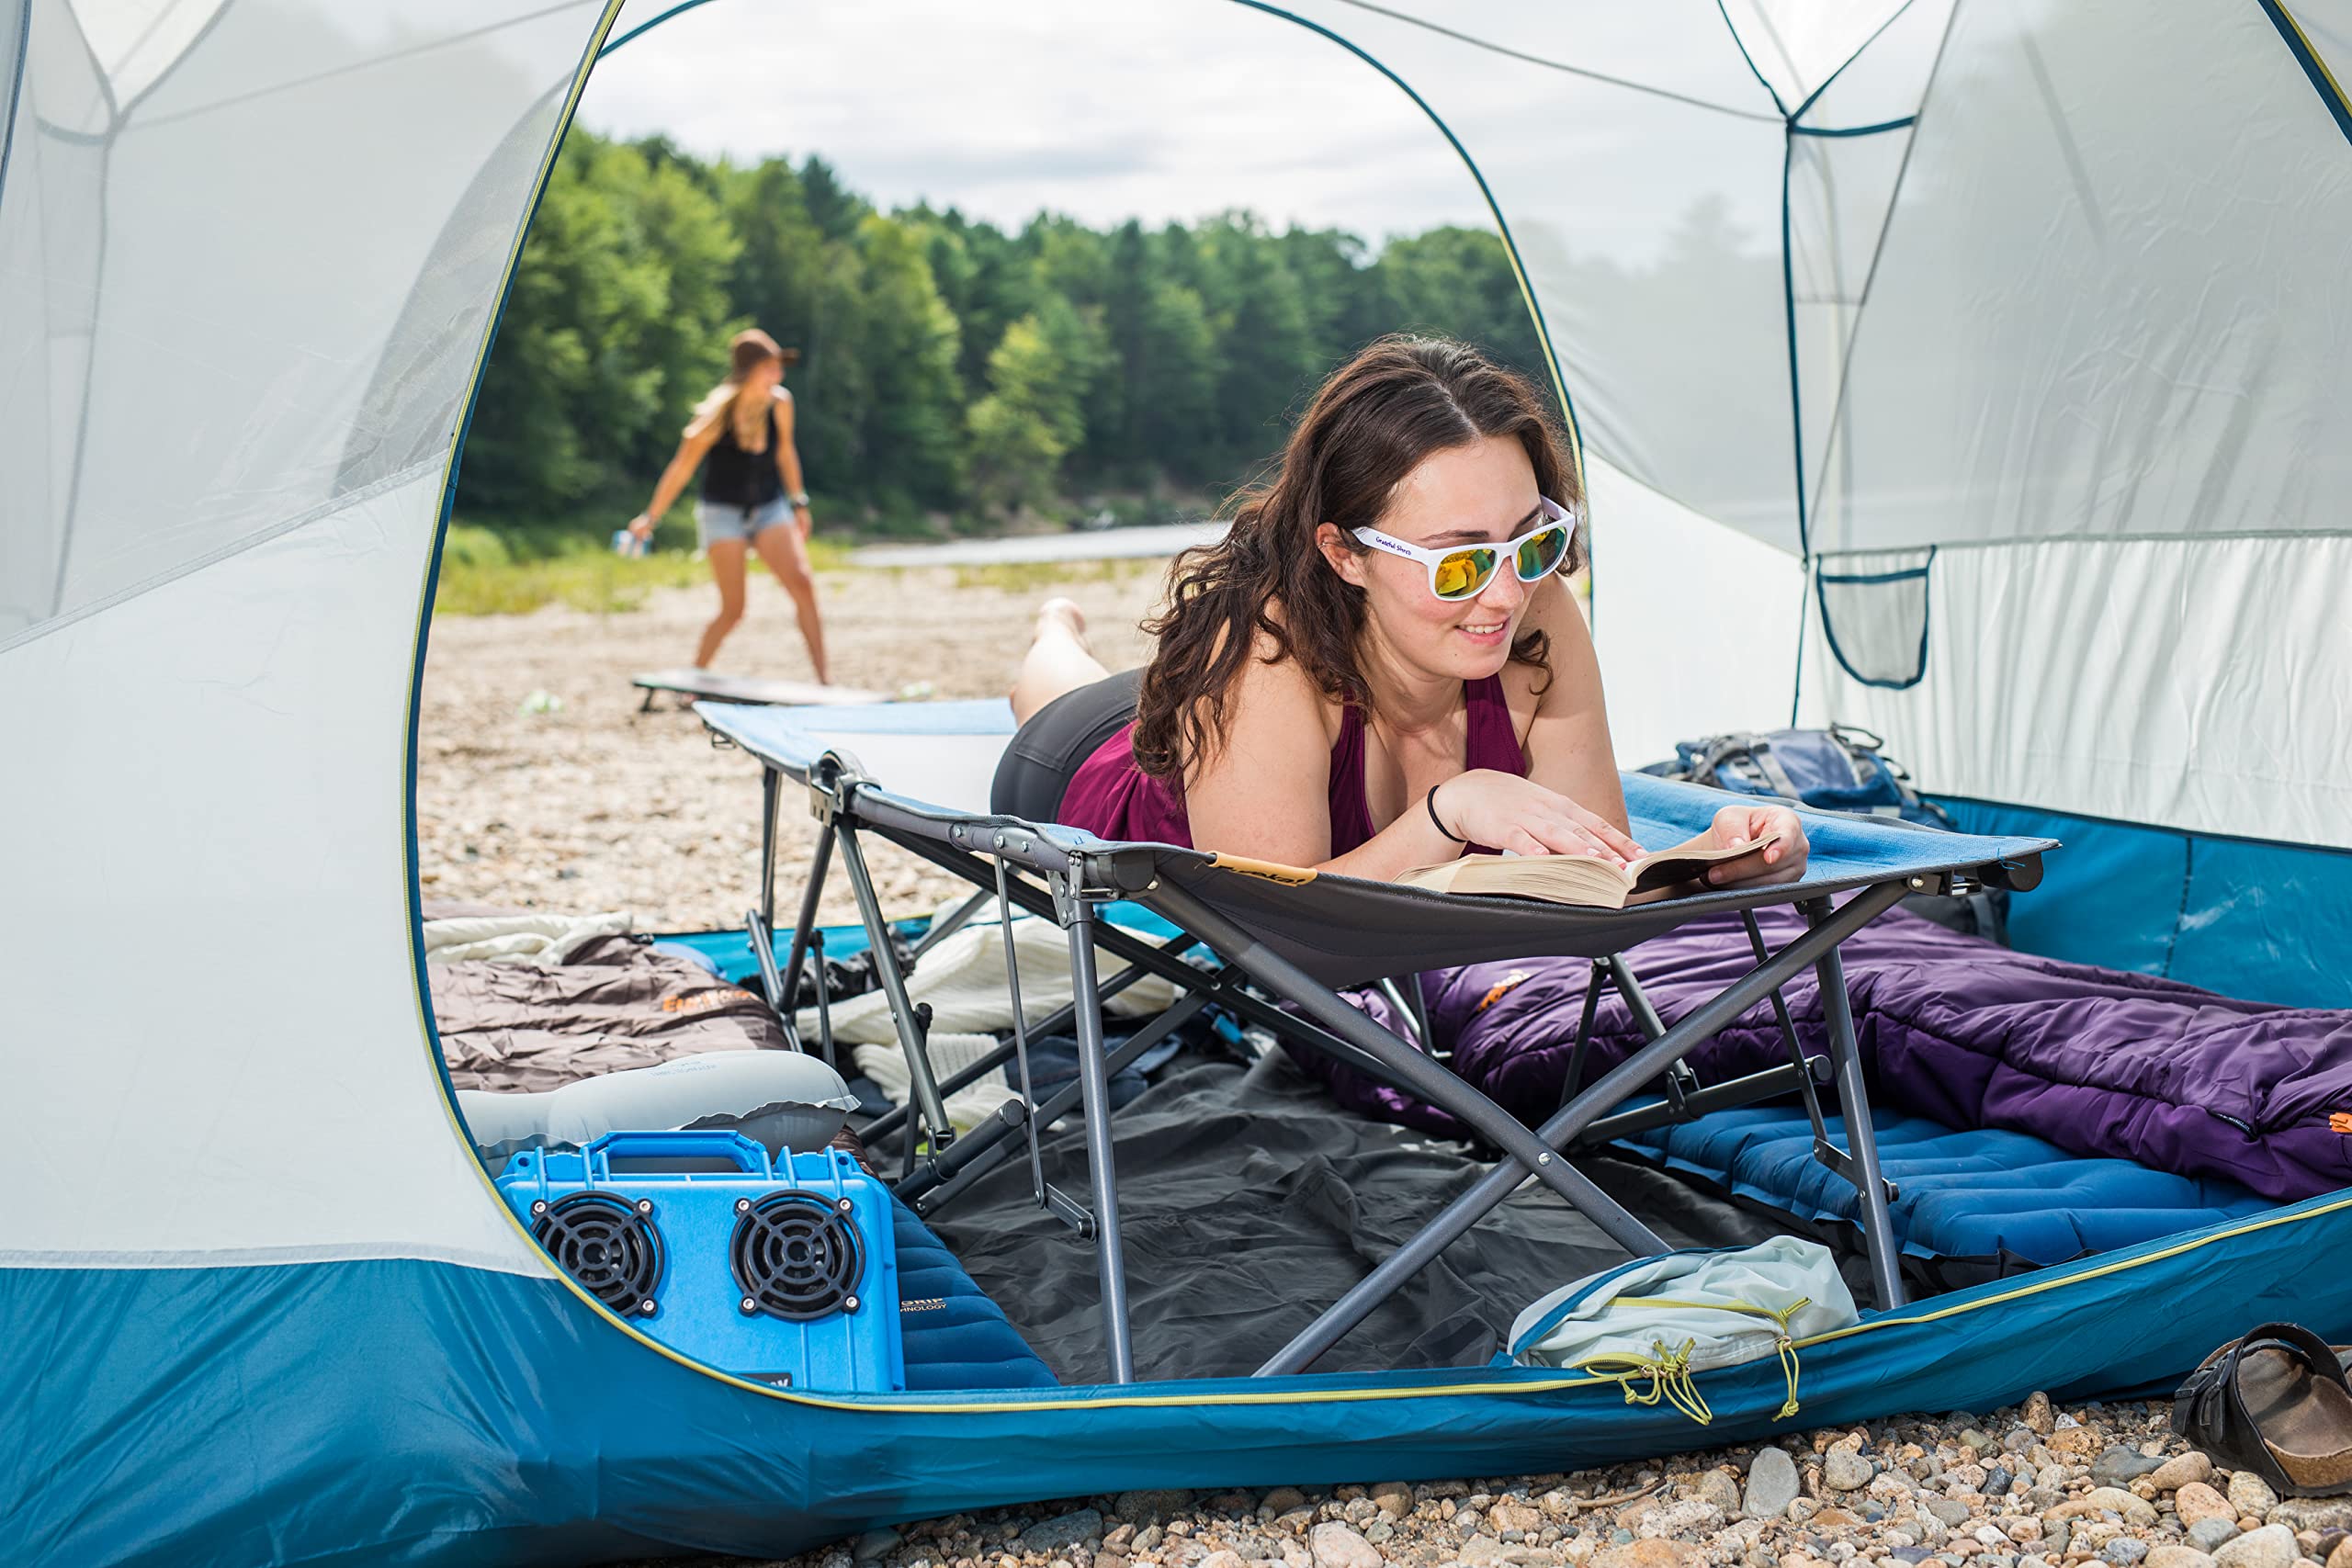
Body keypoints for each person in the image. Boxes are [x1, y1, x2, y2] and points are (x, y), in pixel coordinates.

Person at [1004, 335, 1807, 886]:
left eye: (1529, 542)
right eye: (1459, 561)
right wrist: (1448, 813)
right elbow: (1271, 915)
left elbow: (1593, 862)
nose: (1503, 593)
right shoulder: (1266, 649)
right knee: (1060, 689)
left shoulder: (1535, 604)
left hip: (1232, 723)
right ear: (1345, 552)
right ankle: (1053, 626)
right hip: (1087, 765)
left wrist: (1714, 858)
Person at [628, 328, 829, 681]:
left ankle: (825, 680)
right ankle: (696, 676)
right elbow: (681, 468)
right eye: (770, 367)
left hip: (769, 506)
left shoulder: (781, 403)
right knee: (734, 609)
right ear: (750, 371)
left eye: (779, 367)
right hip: (722, 512)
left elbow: (785, 453)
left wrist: (800, 502)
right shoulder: (717, 413)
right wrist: (651, 517)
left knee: (803, 584)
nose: (778, 375)